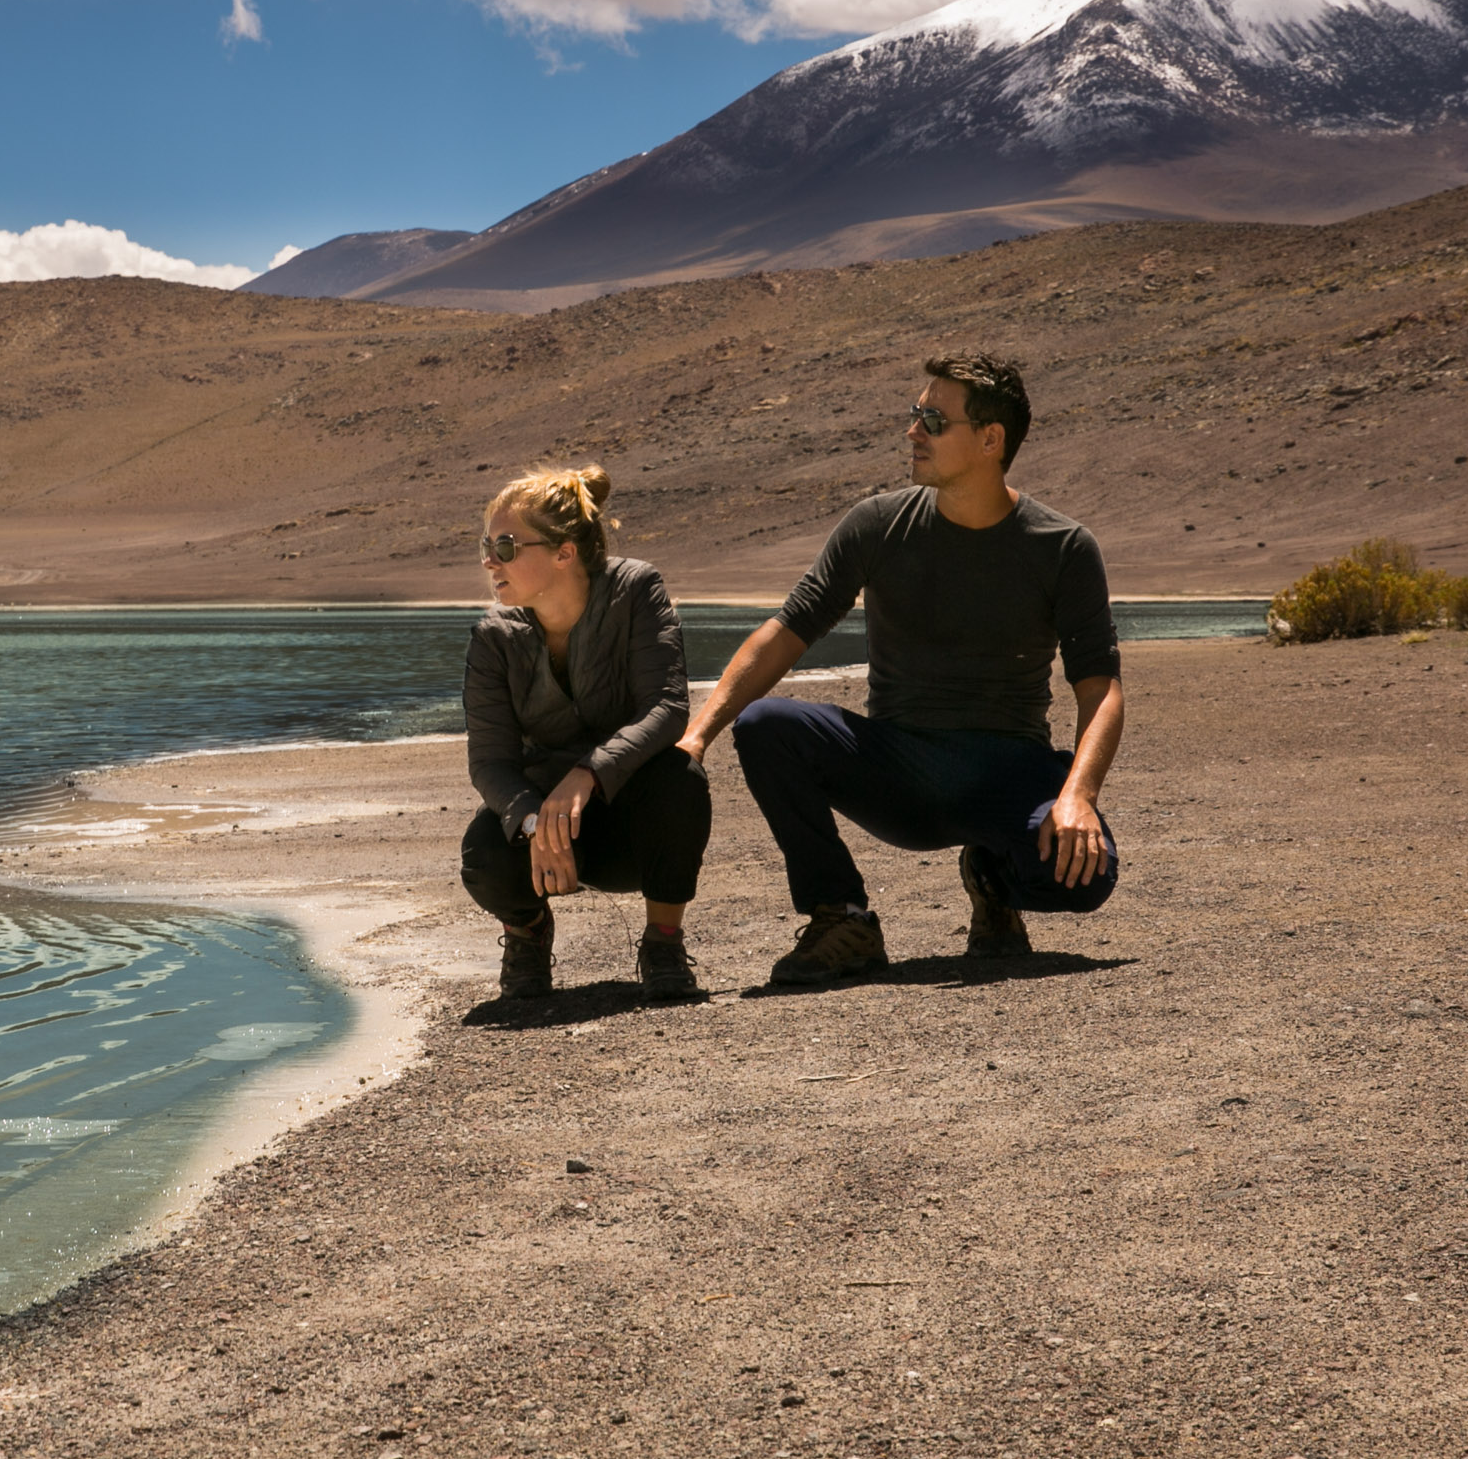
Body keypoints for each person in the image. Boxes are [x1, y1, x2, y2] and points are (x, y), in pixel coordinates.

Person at [676, 354, 1123, 985]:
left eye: (934, 420)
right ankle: (843, 917)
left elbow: (1100, 688)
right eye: (915, 414)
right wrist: (698, 735)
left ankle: (994, 877)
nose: (913, 431)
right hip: (899, 770)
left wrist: (1077, 796)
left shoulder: (1064, 548)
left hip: (1007, 769)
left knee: (1086, 876)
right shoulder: (877, 526)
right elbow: (788, 629)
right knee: (766, 725)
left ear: (991, 440)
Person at [461, 466, 713, 1002]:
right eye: (487, 545)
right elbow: (490, 763)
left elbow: (666, 709)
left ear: (564, 552)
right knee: (484, 850)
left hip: (633, 819)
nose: (489, 560)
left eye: (505, 546)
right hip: (550, 832)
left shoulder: (636, 589)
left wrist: (589, 774)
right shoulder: (494, 636)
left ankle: (663, 942)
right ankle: (527, 935)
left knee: (681, 779)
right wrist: (533, 823)